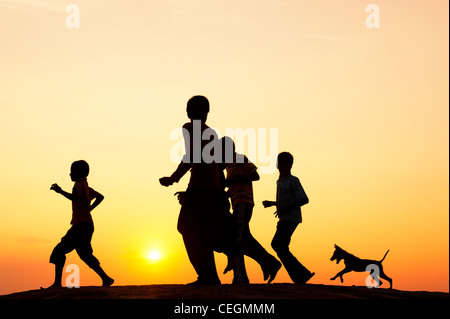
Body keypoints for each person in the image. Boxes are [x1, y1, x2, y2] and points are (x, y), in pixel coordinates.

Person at [160, 95, 235, 285]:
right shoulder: (212, 132)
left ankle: (212, 269)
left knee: (185, 227)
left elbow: (191, 155)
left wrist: (173, 178)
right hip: (212, 188)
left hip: (200, 186)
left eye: (190, 108)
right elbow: (215, 162)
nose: (188, 112)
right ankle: (211, 275)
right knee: (200, 232)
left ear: (195, 112)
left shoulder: (189, 127)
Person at [221, 137, 281, 284]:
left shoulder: (240, 158)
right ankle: (270, 261)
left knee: (237, 239)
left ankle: (240, 277)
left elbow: (255, 175)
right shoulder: (228, 165)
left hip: (244, 202)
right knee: (245, 237)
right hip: (237, 203)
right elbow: (234, 186)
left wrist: (230, 182)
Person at [45, 160, 114, 288]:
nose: (70, 174)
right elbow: (100, 197)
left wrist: (60, 191)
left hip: (80, 226)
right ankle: (106, 278)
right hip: (86, 225)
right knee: (84, 254)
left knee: (59, 250)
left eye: (72, 171)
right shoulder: (86, 187)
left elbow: (74, 198)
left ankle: (57, 284)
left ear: (79, 172)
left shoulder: (78, 185)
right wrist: (89, 209)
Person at [262, 152, 314, 284]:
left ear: (291, 165)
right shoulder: (279, 181)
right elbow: (285, 200)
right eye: (280, 164)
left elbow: (304, 199)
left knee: (278, 244)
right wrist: (273, 204)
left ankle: (301, 274)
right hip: (284, 218)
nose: (282, 167)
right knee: (281, 246)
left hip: (291, 219)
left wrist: (286, 209)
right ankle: (301, 275)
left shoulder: (293, 181)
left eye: (286, 164)